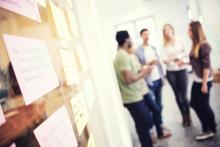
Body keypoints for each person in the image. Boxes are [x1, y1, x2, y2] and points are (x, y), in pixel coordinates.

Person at [114, 31, 153, 147]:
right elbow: (128, 79)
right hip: (132, 98)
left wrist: (141, 71)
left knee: (144, 124)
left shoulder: (124, 54)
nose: (131, 39)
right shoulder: (122, 56)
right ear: (126, 40)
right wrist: (145, 72)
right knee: (143, 125)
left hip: (135, 96)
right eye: (130, 37)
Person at [135, 28, 171, 140]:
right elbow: (139, 67)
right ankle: (152, 129)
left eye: (148, 34)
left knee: (159, 104)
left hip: (158, 79)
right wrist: (148, 63)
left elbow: (159, 64)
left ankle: (159, 124)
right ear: (141, 36)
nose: (146, 36)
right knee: (152, 106)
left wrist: (162, 77)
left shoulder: (153, 48)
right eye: (144, 34)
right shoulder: (138, 51)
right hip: (148, 82)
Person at [187, 21, 217, 140]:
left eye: (189, 30)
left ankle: (209, 129)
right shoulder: (195, 44)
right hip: (197, 79)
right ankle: (209, 126)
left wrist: (204, 83)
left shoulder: (204, 45)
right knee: (194, 103)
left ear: (195, 31)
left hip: (203, 81)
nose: (187, 32)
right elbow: (196, 61)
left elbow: (206, 66)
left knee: (203, 105)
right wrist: (183, 62)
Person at [162, 24, 191, 127]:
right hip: (171, 72)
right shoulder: (164, 45)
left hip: (182, 70)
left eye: (168, 29)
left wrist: (177, 56)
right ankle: (183, 116)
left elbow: (187, 51)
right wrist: (173, 58)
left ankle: (188, 116)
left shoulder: (180, 40)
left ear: (172, 29)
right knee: (177, 95)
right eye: (165, 30)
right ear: (164, 33)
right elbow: (164, 60)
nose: (167, 31)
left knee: (183, 95)